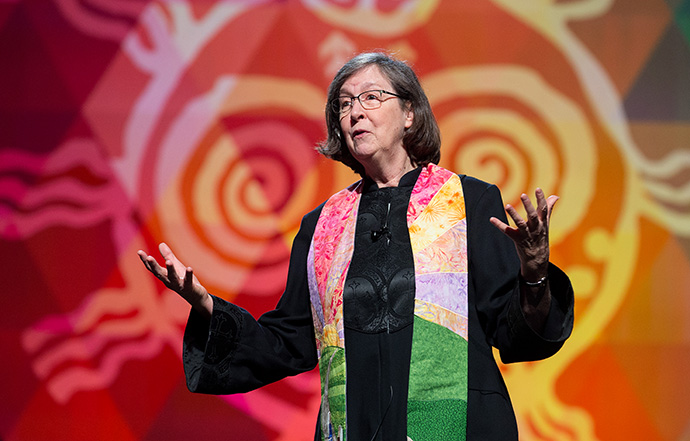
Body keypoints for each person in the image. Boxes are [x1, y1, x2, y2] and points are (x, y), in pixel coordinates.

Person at [138, 52, 574, 441]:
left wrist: (534, 273)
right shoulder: (321, 226)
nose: (353, 113)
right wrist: (206, 305)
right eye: (344, 105)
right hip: (355, 427)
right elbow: (289, 341)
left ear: (409, 112)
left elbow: (511, 330)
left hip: (459, 425)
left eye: (369, 98)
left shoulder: (468, 202)